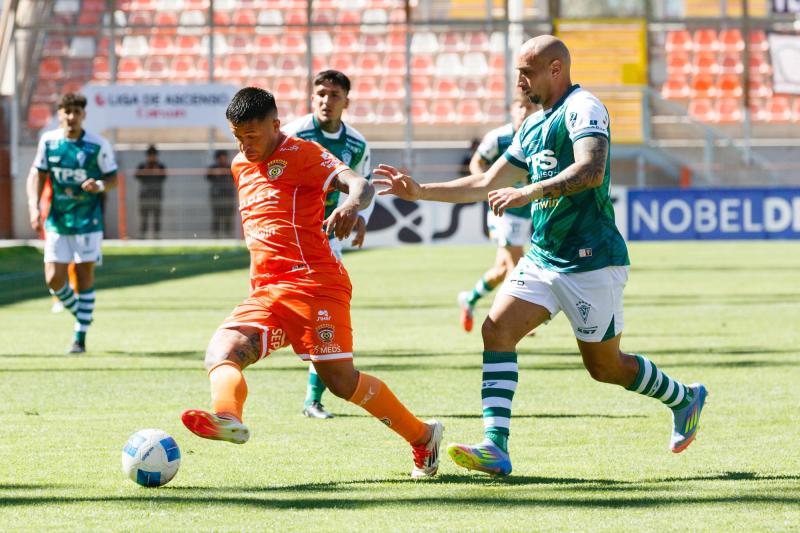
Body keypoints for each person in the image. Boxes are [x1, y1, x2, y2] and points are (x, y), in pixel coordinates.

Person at [374, 35, 707, 476]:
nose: (518, 81)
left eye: (526, 72)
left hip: (592, 260)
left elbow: (592, 170)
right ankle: (496, 446)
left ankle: (684, 397)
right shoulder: (531, 125)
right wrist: (420, 191)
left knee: (605, 367)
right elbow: (486, 182)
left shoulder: (583, 108)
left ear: (555, 69)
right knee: (496, 330)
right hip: (545, 257)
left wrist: (532, 189)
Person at [180, 87, 443, 479]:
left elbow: (360, 184)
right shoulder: (239, 164)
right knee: (222, 351)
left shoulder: (301, 153)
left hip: (314, 283)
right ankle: (227, 417)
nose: (245, 146)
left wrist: (350, 205)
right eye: (237, 137)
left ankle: (423, 436)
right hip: (267, 291)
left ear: (275, 125)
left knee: (340, 382)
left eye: (252, 137)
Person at [282, 69, 375, 420]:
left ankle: (312, 399)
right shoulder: (293, 134)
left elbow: (362, 184)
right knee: (298, 314)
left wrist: (361, 215)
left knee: (324, 312)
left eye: (334, 95)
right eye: (321, 93)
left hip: (325, 237)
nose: (326, 100)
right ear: (312, 97)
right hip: (289, 235)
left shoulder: (357, 144)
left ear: (346, 102)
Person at [26, 92, 118, 353]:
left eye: (76, 112)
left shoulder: (97, 145)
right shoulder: (49, 142)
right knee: (54, 279)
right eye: (67, 112)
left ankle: (80, 337)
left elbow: (113, 178)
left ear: (83, 115)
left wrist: (98, 184)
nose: (71, 117)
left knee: (83, 275)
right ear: (59, 114)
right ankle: (83, 314)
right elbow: (36, 176)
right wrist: (34, 207)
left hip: (88, 221)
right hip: (57, 220)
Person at [457, 93, 539, 332]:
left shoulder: (539, 136)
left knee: (502, 269)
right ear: (512, 110)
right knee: (517, 261)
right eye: (520, 107)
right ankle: (515, 317)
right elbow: (477, 163)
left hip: (526, 209)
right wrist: (488, 186)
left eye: (529, 107)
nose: (524, 111)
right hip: (503, 210)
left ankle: (469, 299)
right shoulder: (499, 137)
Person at [134, 144, 167, 238]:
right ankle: (142, 237)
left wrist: (157, 170)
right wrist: (146, 170)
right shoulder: (142, 165)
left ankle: (157, 237)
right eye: (150, 155)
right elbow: (136, 176)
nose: (152, 157)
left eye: (153, 155)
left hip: (156, 195)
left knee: (157, 217)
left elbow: (164, 177)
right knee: (144, 217)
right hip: (144, 195)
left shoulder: (160, 166)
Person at [206, 149, 236, 237]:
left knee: (228, 216)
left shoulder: (230, 167)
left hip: (228, 196)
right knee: (217, 216)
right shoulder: (213, 167)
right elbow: (208, 177)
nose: (222, 159)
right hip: (217, 196)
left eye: (224, 157)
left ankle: (229, 235)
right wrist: (216, 173)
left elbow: (235, 178)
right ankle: (216, 236)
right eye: (220, 157)